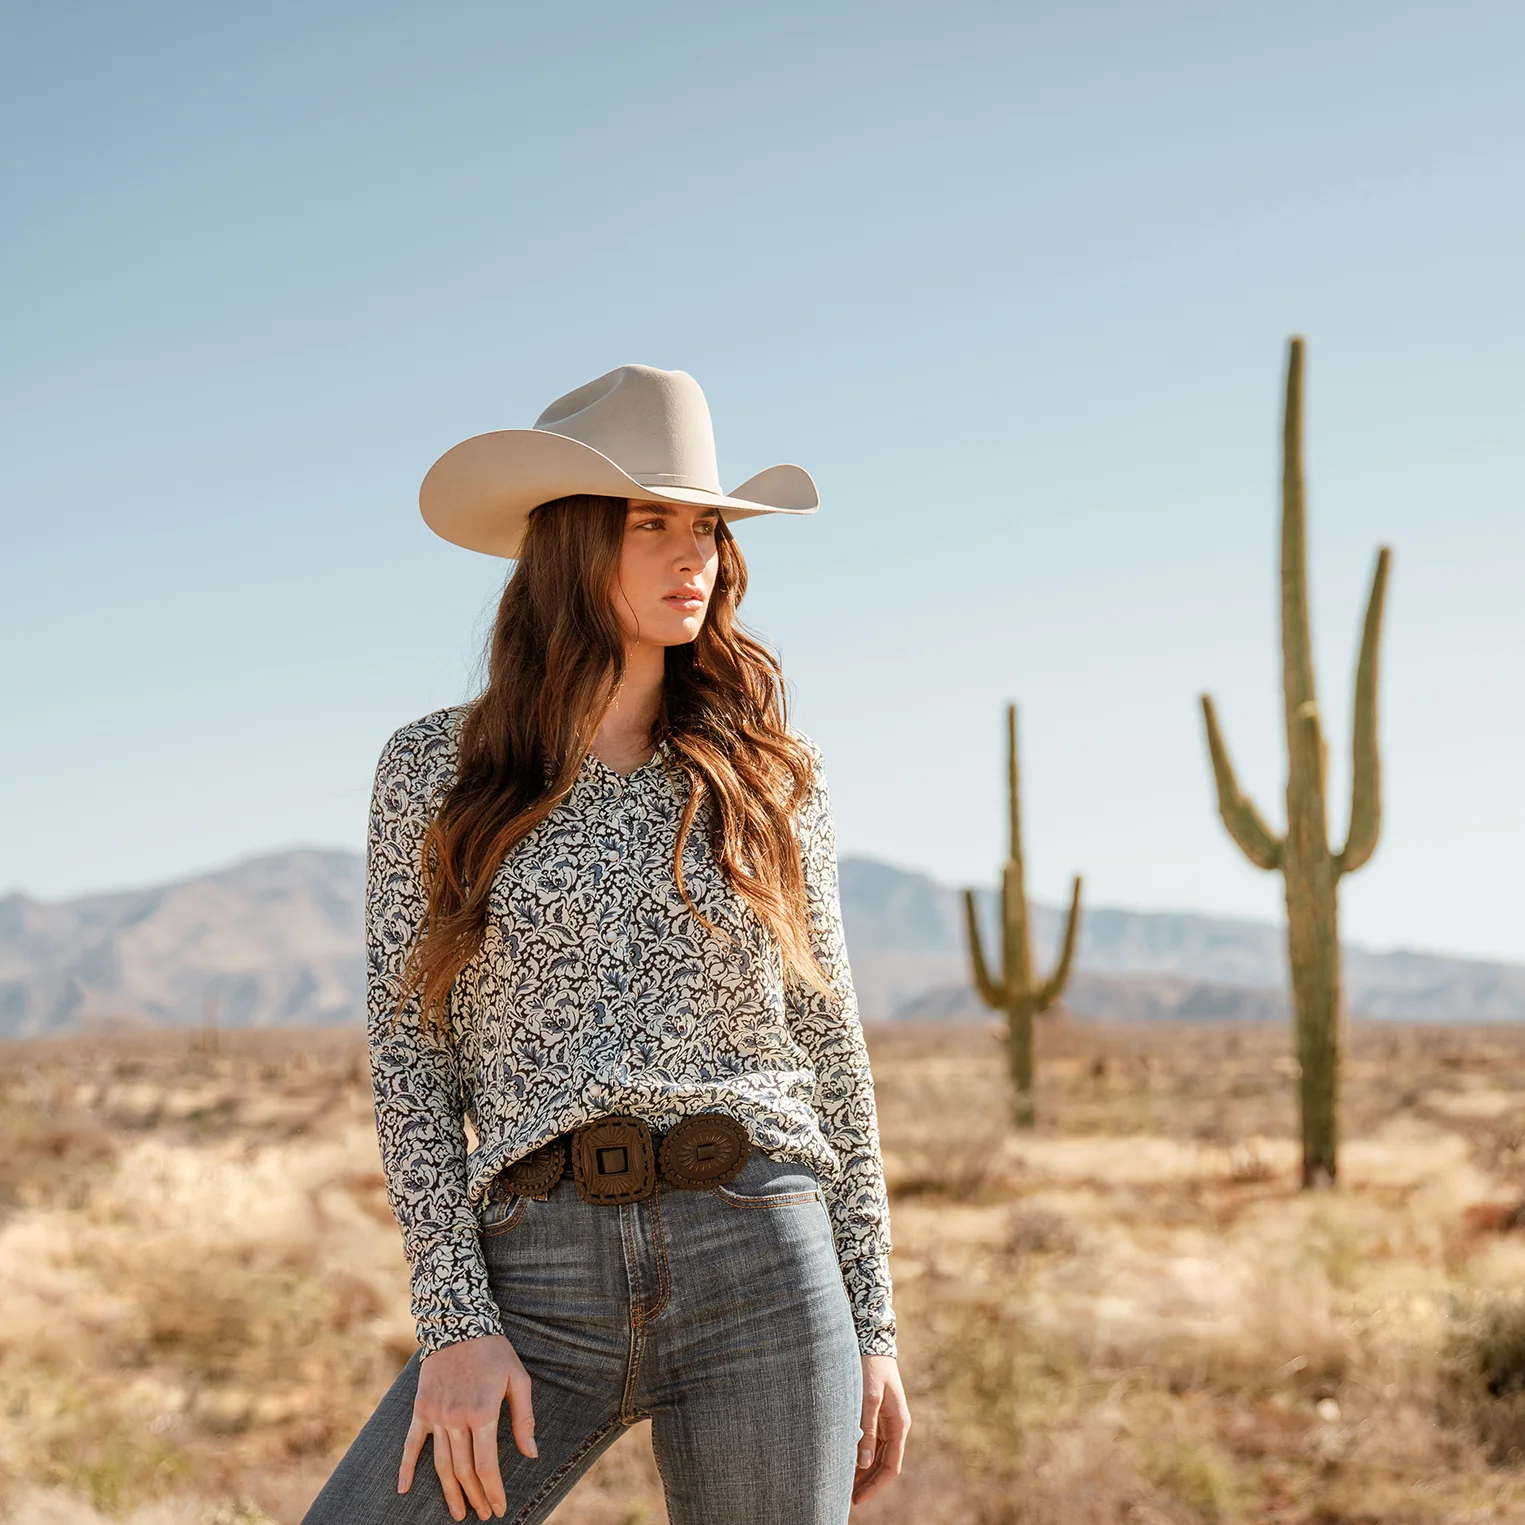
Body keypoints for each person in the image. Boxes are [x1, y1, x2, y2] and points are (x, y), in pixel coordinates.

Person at [302, 365, 910, 1525]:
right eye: (651, 523)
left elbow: (829, 1043)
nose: (697, 556)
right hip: (537, 1268)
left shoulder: (772, 776)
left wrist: (872, 1322)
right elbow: (407, 1053)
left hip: (764, 1261)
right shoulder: (434, 770)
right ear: (573, 546)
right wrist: (457, 1324)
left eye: (708, 528)